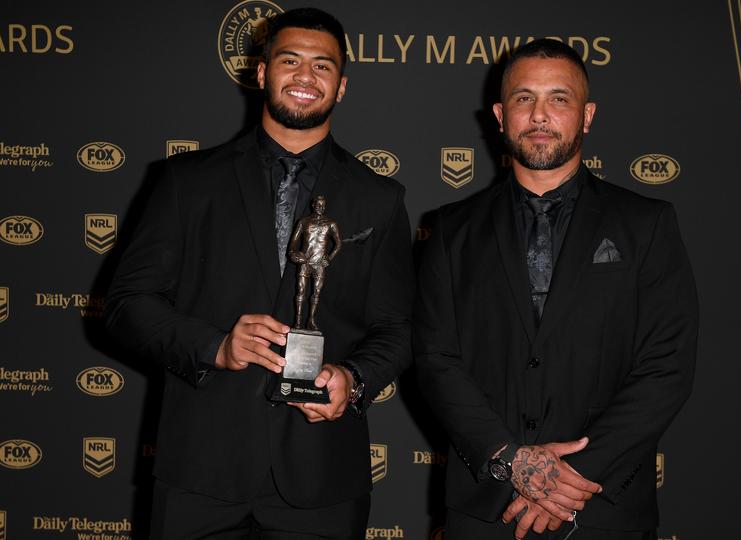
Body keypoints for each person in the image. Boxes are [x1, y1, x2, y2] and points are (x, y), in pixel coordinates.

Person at [104, 8, 413, 539]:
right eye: (290, 60)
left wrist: (354, 380)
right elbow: (128, 305)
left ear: (341, 87)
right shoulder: (186, 182)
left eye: (323, 66)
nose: (305, 77)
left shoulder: (379, 198)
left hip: (321, 481)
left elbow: (400, 327)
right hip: (199, 475)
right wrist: (215, 346)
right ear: (261, 72)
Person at [414, 38, 697, 540]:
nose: (540, 115)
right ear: (501, 115)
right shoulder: (452, 229)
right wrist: (511, 461)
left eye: (558, 99)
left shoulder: (646, 224)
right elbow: (436, 359)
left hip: (603, 504)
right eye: (524, 99)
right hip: (487, 506)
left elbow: (666, 365)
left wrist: (578, 475)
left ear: (586, 115)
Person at [289, 195, 342, 330]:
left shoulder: (331, 223)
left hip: (319, 263)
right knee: (301, 291)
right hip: (305, 262)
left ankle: (311, 320)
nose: (321, 208)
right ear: (313, 205)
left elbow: (338, 244)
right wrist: (293, 254)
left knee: (316, 293)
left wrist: (329, 258)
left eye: (323, 206)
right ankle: (298, 321)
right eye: (318, 205)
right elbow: (292, 245)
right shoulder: (303, 222)